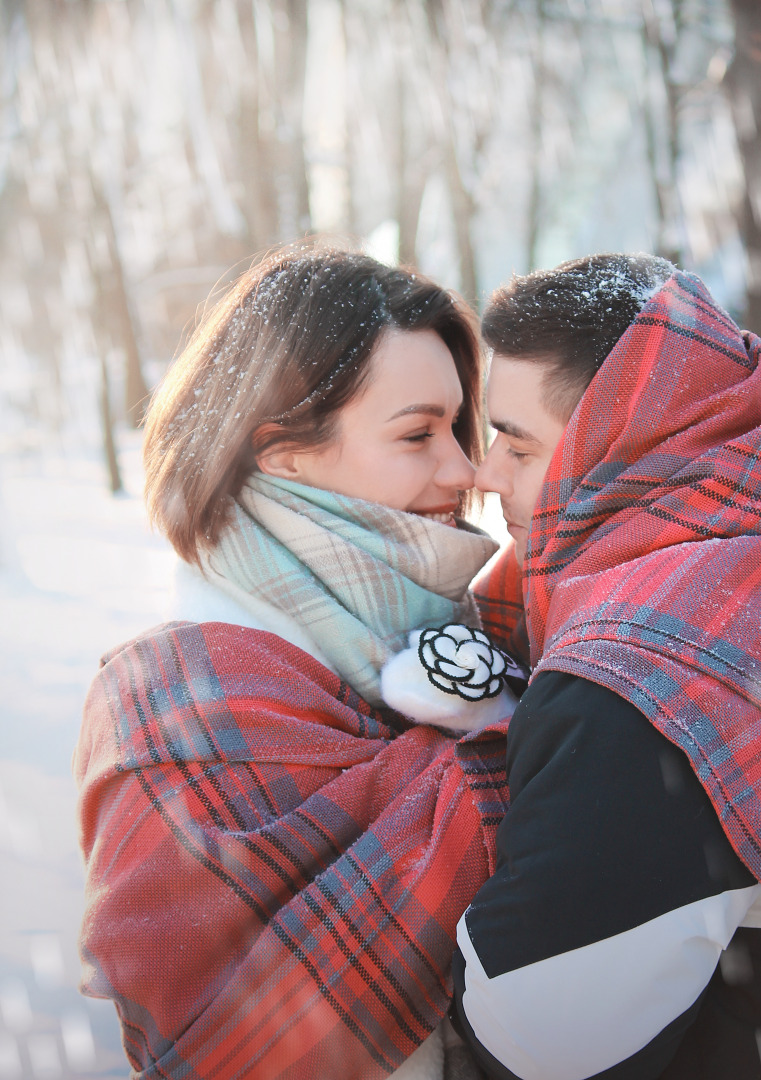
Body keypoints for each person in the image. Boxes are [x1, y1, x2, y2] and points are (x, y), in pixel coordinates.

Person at [74, 242, 520, 1080]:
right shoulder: (175, 703)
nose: (466, 470)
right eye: (419, 433)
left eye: (460, 428)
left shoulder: (488, 628)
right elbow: (223, 1038)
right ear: (279, 450)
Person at [451, 253, 761, 1079]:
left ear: (615, 439)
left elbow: (540, 1038)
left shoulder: (635, 682)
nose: (483, 475)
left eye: (515, 446)